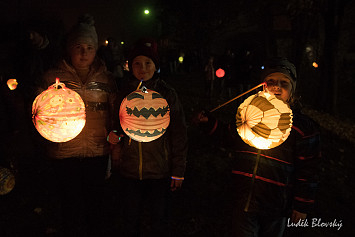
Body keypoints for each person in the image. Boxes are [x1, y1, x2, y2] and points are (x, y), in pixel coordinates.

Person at [192, 57, 321, 237]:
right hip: (243, 198)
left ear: (293, 90)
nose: (277, 86)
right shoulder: (251, 116)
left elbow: (308, 169)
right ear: (262, 86)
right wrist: (209, 123)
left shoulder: (301, 127)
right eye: (271, 81)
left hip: (277, 204)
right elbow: (230, 136)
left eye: (284, 83)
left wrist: (301, 205)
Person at [40, 14, 117, 237]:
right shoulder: (52, 78)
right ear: (69, 48)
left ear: (96, 50)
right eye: (79, 47)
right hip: (64, 153)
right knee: (69, 204)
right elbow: (39, 111)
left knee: (95, 203)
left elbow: (114, 116)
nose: (84, 53)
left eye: (90, 48)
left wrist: (115, 145)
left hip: (97, 151)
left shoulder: (106, 80)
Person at [108, 38, 188, 236]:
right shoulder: (125, 94)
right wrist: (115, 136)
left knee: (159, 220)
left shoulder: (167, 94)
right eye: (137, 63)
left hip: (159, 170)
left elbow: (179, 132)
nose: (142, 68)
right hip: (130, 170)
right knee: (130, 219)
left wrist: (178, 170)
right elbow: (118, 125)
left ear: (156, 66)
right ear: (130, 66)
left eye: (148, 63)